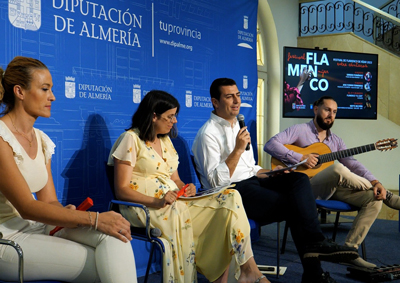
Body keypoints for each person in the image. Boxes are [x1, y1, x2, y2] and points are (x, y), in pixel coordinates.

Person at [192, 78, 359, 283]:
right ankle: (314, 269)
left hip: (253, 181)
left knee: (297, 179)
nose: (236, 101)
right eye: (229, 96)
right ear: (215, 102)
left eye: (238, 95)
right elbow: (215, 182)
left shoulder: (239, 126)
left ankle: (315, 250)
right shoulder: (207, 134)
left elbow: (250, 168)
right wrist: (237, 149)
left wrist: (272, 172)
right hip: (230, 193)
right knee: (294, 206)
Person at [107, 90, 269, 283]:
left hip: (174, 202)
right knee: (179, 211)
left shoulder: (166, 140)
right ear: (153, 116)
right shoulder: (130, 139)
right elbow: (122, 190)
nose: (174, 121)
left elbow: (175, 180)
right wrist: (157, 201)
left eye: (175, 115)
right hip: (144, 207)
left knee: (230, 197)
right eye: (170, 116)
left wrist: (186, 187)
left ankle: (247, 270)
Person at [0, 56, 137, 283]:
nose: (52, 96)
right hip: (8, 240)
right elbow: (27, 207)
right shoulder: (1, 138)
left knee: (114, 239)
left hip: (39, 228)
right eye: (45, 89)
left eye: (51, 89)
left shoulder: (41, 140)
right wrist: (93, 219)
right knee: (103, 264)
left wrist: (68, 213)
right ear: (19, 92)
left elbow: (49, 202)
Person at [264, 95, 400, 268]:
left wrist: (374, 180)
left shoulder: (336, 141)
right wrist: (301, 157)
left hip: (330, 188)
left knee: (373, 199)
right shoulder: (300, 130)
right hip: (303, 189)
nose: (331, 115)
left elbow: (353, 163)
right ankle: (389, 195)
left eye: (334, 112)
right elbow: (270, 144)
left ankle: (349, 251)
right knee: (337, 169)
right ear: (315, 109)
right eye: (327, 110)